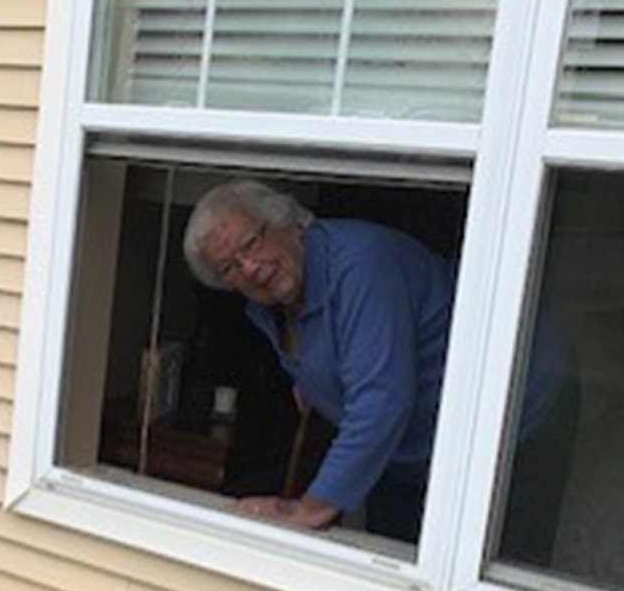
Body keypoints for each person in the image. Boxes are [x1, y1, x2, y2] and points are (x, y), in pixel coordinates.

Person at [181, 180, 575, 555]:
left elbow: (382, 401)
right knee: (393, 555)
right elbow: (330, 350)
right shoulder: (270, 303)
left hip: (517, 411)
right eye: (230, 267)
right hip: (411, 445)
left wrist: (308, 510)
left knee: (493, 568)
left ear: (285, 220)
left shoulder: (360, 265)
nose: (249, 267)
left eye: (252, 242)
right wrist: (314, 381)